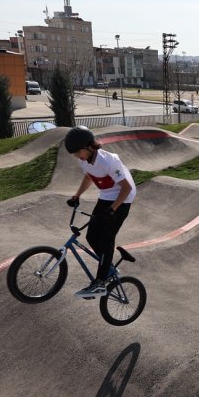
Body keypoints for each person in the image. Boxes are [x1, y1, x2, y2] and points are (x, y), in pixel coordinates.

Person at [64, 126, 136, 298]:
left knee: (106, 237)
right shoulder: (85, 160)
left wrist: (113, 209)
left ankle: (100, 282)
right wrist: (77, 195)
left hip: (122, 198)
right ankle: (109, 268)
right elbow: (89, 176)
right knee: (91, 236)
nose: (77, 157)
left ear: (89, 147)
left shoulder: (108, 161)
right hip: (106, 196)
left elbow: (125, 188)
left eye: (77, 153)